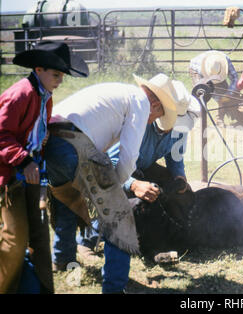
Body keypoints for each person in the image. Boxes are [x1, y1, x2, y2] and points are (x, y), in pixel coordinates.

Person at [77, 75, 201, 293]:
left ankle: (149, 235)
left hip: (138, 166)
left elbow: (176, 161)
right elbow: (112, 163)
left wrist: (179, 180)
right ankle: (87, 239)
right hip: (107, 169)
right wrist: (134, 185)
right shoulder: (141, 122)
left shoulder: (179, 133)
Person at [0, 41, 88, 293]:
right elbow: (1, 133)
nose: (60, 80)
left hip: (31, 172)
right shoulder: (21, 94)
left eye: (61, 75)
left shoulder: (43, 96)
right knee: (15, 239)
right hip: (9, 176)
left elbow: (33, 129)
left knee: (39, 236)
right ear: (38, 69)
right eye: (56, 74)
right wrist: (23, 159)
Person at [189, 50, 238, 125]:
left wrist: (229, 93)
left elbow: (234, 78)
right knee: (200, 93)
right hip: (195, 69)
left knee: (223, 96)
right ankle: (200, 120)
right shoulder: (199, 68)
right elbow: (200, 87)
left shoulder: (226, 61)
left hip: (211, 69)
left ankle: (219, 119)